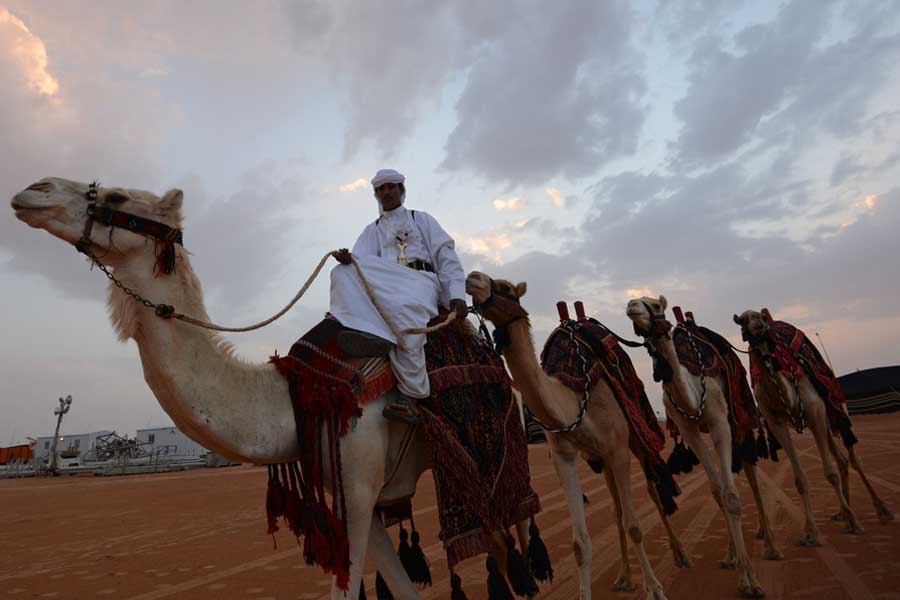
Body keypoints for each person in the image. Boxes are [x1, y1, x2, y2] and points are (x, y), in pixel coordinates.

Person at [330, 169, 467, 424]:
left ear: (401, 190)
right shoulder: (372, 230)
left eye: (391, 186)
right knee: (341, 272)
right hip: (386, 280)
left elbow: (445, 256)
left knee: (404, 309)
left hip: (420, 280)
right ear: (376, 195)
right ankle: (364, 331)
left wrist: (456, 294)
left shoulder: (421, 219)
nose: (387, 192)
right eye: (381, 189)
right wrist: (349, 259)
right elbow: (362, 263)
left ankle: (411, 396)